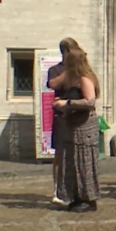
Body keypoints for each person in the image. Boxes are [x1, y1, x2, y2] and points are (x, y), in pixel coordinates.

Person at [52, 47, 102, 212]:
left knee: (84, 163)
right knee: (72, 162)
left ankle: (88, 199)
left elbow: (89, 102)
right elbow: (52, 83)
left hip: (84, 126)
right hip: (73, 125)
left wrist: (67, 104)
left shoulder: (85, 78)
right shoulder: (73, 78)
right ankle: (76, 196)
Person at [47, 38, 81, 204]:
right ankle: (57, 189)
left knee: (76, 154)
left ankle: (75, 189)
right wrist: (69, 73)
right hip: (61, 116)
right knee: (60, 153)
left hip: (77, 115)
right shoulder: (56, 69)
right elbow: (52, 84)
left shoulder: (81, 71)